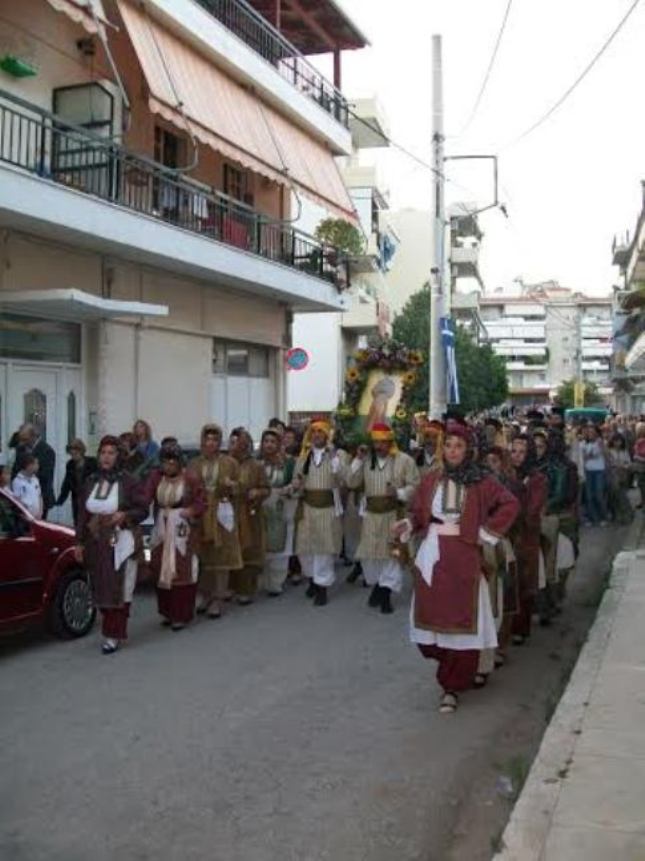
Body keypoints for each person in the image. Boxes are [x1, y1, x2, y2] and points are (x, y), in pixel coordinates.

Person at [395, 421, 519, 713]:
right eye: (448, 445)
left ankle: (451, 686)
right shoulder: (430, 478)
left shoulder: (481, 480)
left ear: (468, 450)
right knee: (428, 619)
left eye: (459, 446)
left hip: (463, 557)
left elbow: (510, 504)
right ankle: (448, 668)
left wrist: (486, 533)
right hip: (432, 557)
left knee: (462, 619)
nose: (452, 451)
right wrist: (408, 524)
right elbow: (419, 514)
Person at [74, 435, 148, 654]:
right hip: (96, 543)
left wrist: (124, 515)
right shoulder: (90, 482)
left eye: (111, 453)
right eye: (103, 453)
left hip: (121, 541)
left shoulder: (129, 481)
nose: (106, 457)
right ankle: (109, 627)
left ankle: (114, 633)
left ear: (119, 456)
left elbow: (143, 509)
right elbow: (82, 515)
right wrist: (78, 542)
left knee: (120, 589)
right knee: (101, 586)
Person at [347, 423, 419, 614]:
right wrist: (358, 459)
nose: (379, 447)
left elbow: (415, 486)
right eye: (375, 442)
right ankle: (379, 585)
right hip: (371, 516)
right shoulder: (366, 460)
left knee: (392, 556)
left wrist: (399, 492)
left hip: (393, 516)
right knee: (371, 556)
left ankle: (386, 593)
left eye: (383, 442)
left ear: (390, 442)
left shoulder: (404, 461)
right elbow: (350, 482)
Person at [148, 444, 206, 631]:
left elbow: (202, 501)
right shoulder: (156, 478)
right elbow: (144, 497)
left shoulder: (191, 478)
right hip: (162, 526)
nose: (169, 466)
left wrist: (191, 511)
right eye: (165, 462)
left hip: (182, 527)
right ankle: (167, 611)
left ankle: (182, 614)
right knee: (159, 566)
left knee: (182, 568)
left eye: (172, 462)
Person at [190, 424, 242, 619]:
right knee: (203, 556)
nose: (210, 443)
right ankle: (205, 595)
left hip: (221, 512)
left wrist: (231, 486)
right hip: (201, 512)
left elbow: (240, 487)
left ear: (219, 442)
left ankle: (218, 599)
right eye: (207, 439)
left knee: (221, 557)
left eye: (214, 439)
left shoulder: (230, 463)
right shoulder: (194, 463)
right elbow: (189, 487)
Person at [293, 418, 345, 606]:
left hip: (327, 509)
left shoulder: (337, 456)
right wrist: (295, 486)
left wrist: (334, 459)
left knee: (324, 548)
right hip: (307, 508)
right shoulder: (303, 457)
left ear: (327, 435)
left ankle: (322, 587)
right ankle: (313, 579)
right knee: (305, 549)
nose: (316, 435)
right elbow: (297, 482)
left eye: (320, 432)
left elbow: (343, 478)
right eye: (313, 432)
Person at [509, 435, 547, 645]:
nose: (517, 456)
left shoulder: (537, 478)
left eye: (522, 452)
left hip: (526, 537)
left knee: (524, 584)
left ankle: (520, 628)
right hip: (506, 536)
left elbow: (533, 511)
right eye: (513, 451)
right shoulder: (505, 475)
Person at [229, 428, 270, 605]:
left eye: (241, 443)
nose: (237, 446)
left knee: (249, 551)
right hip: (228, 514)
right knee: (230, 550)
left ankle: (246, 590)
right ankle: (229, 587)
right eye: (234, 442)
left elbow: (266, 489)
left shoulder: (256, 465)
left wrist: (257, 492)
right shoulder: (226, 463)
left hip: (249, 514)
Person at [259, 428, 297, 597]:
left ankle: (276, 582)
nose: (269, 445)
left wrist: (288, 490)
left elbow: (297, 483)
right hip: (260, 507)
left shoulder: (288, 463)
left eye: (273, 441)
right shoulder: (257, 462)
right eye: (266, 441)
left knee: (281, 546)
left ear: (279, 444)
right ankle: (264, 580)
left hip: (282, 507)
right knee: (263, 543)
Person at [11, 424, 56, 518]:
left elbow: (46, 476)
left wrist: (28, 474)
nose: (23, 442)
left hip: (40, 496)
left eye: (25, 439)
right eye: (21, 439)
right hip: (21, 497)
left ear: (33, 436)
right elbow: (15, 469)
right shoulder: (21, 449)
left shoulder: (47, 451)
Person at [56, 439, 97, 525]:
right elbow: (67, 483)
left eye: (75, 453)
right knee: (78, 522)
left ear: (81, 451)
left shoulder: (93, 462)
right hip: (77, 499)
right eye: (71, 453)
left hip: (90, 498)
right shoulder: (70, 464)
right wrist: (60, 500)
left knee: (91, 523)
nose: (73, 455)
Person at [580, 424, 608, 526]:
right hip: (587, 471)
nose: (591, 434)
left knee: (599, 494)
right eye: (589, 432)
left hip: (599, 470)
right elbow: (583, 457)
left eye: (593, 432)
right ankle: (593, 517)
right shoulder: (583, 444)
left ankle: (603, 516)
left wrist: (602, 446)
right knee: (589, 496)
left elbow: (605, 454)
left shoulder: (600, 442)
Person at [606, 434, 634, 525]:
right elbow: (608, 464)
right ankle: (619, 515)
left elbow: (629, 463)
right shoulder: (610, 452)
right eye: (615, 441)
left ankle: (626, 514)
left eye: (619, 441)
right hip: (613, 476)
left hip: (623, 475)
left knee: (622, 496)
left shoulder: (624, 452)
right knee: (615, 496)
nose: (617, 443)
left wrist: (623, 466)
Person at [11, 453, 43, 518]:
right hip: (25, 517)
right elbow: (17, 500)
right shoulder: (17, 481)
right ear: (29, 465)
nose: (38, 466)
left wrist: (40, 511)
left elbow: (39, 496)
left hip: (37, 516)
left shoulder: (35, 479)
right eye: (36, 464)